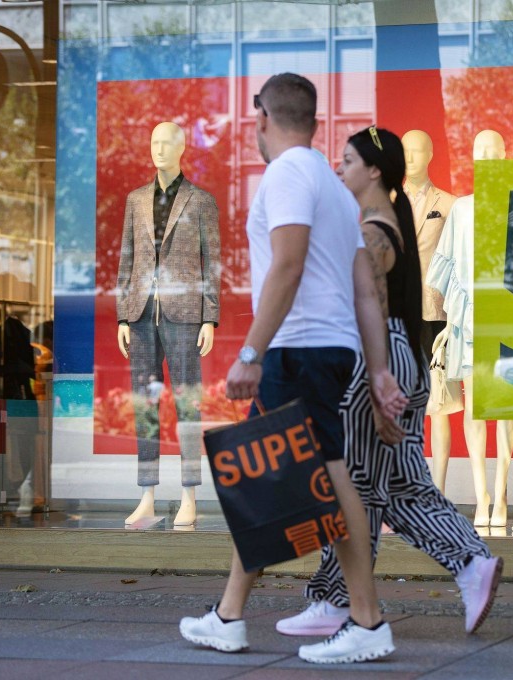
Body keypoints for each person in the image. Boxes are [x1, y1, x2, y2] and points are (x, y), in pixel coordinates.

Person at [178, 73, 407, 664]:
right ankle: (229, 614)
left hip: (296, 350)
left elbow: (287, 263)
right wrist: (379, 374)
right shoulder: (334, 188)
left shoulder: (285, 175)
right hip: (326, 350)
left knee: (325, 477)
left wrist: (251, 352)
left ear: (262, 118)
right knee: (260, 478)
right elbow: (364, 291)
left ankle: (367, 620)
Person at [274, 126, 503, 639]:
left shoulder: (374, 231)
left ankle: (343, 603)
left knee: (356, 485)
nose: (340, 167)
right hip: (400, 356)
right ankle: (466, 562)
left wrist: (376, 380)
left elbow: (369, 311)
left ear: (374, 170)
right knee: (395, 483)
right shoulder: (387, 218)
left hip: (379, 358)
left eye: (349, 159)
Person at [115, 121, 220, 527]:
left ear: (181, 149)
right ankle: (147, 496)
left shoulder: (200, 201)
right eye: (153, 142)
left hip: (185, 315)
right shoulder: (135, 200)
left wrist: (210, 316)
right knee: (144, 405)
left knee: (187, 404)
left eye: (166, 143)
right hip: (141, 314)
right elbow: (127, 258)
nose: (158, 149)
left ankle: (189, 495)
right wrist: (124, 314)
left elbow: (212, 263)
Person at [426, 129, 513, 527]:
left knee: (508, 406)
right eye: (480, 150)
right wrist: (447, 323)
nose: (486, 156)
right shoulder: (462, 209)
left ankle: (502, 495)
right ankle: (482, 495)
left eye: (493, 149)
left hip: (511, 316)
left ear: (504, 155)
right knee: (477, 405)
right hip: (468, 319)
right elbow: (445, 267)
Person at [400, 129, 457, 486]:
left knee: (438, 404)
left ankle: (439, 488)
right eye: (406, 151)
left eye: (418, 150)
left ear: (431, 153)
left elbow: (456, 262)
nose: (411, 158)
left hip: (435, 314)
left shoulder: (449, 204)